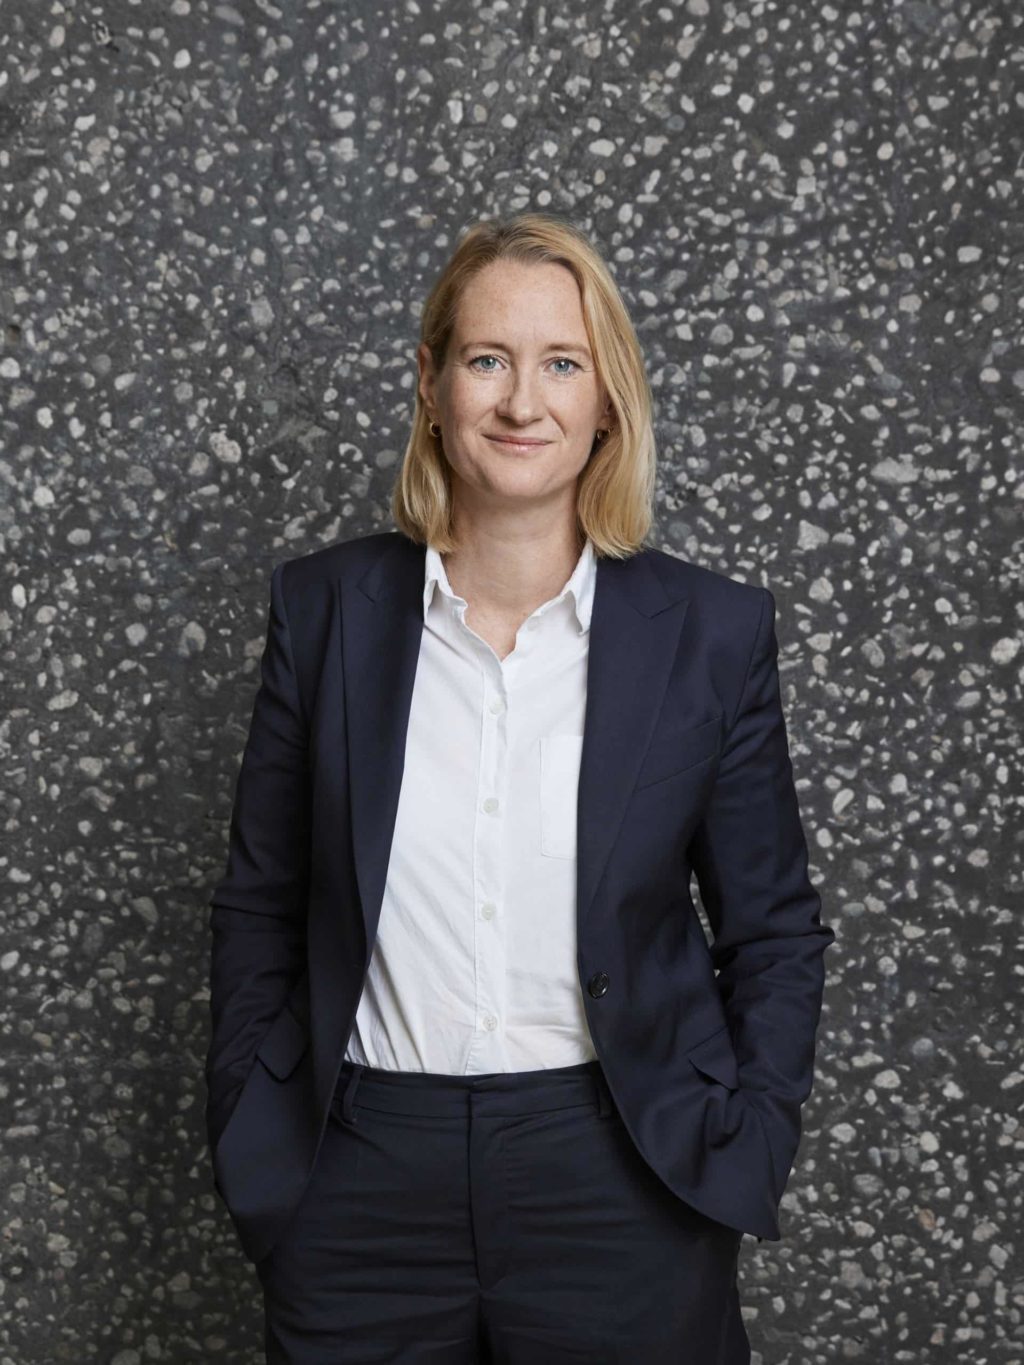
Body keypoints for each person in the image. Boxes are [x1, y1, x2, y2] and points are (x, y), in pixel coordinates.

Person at [205, 212, 837, 1364]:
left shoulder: (709, 634)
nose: (520, 403)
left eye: (561, 364)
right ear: (432, 383)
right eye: (488, 359)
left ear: (607, 402)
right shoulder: (325, 610)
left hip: (623, 1176)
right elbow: (261, 901)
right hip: (358, 1180)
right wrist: (252, 1125)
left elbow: (773, 925)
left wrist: (746, 1137)